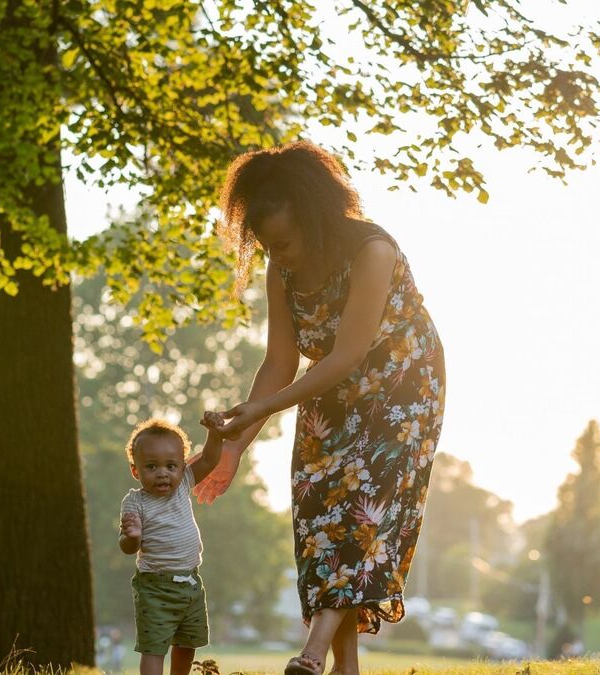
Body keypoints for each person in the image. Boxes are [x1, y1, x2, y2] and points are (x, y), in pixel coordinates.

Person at [197, 140, 446, 675]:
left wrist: (267, 410)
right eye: (267, 245)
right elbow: (280, 363)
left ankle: (311, 654)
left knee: (360, 510)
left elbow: (349, 355)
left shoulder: (372, 250)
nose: (277, 254)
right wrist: (236, 444)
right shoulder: (281, 269)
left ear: (314, 216)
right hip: (326, 387)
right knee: (317, 510)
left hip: (402, 386)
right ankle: (345, 669)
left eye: (284, 242)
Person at [120, 418, 223, 675]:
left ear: (182, 467)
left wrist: (214, 433)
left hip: (190, 582)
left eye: (171, 466)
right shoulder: (135, 502)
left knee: (187, 643)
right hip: (155, 587)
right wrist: (132, 537)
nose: (163, 473)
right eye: (152, 466)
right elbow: (127, 547)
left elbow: (209, 460)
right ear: (136, 471)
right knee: (154, 646)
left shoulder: (184, 484)